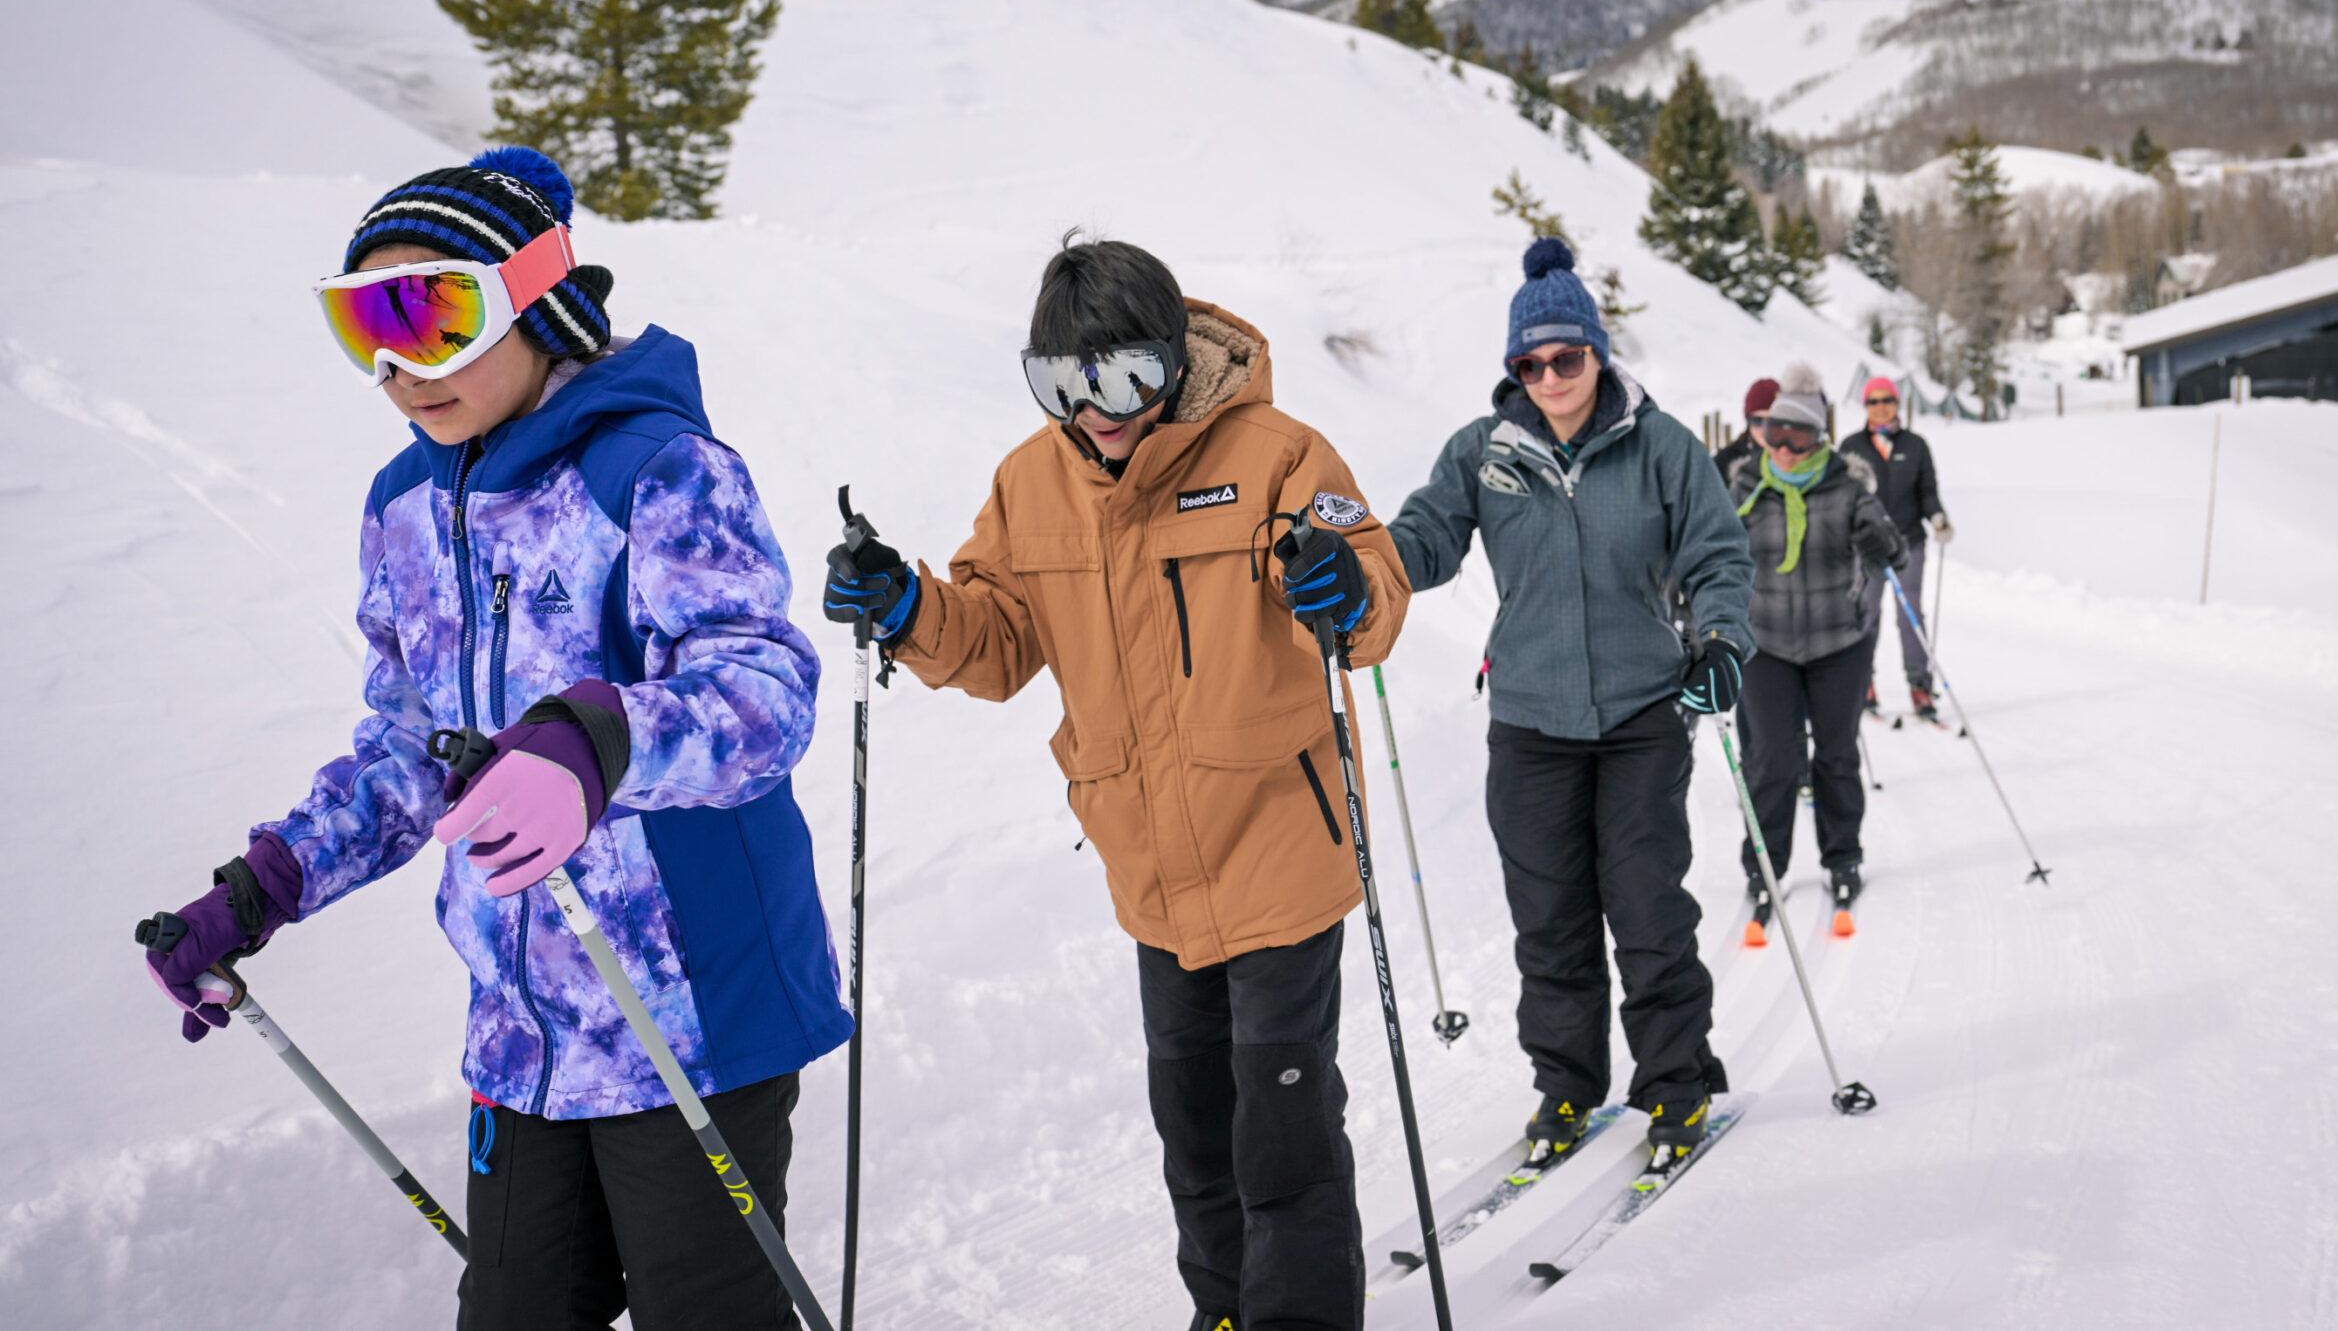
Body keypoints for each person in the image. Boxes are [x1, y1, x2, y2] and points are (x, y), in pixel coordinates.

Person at [137, 149, 845, 1330]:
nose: (401, 365)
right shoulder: (406, 508)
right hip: (524, 1027)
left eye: (438, 310)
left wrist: (597, 739)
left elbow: (766, 692)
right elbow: (411, 747)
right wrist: (266, 884)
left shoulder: (654, 470)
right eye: (366, 320)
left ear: (536, 297)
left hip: (692, 1011)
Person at [818, 234, 1409, 1331]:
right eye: (1063, 385)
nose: (1097, 412)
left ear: (1173, 360)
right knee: (1192, 1130)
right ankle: (1222, 1310)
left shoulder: (1278, 454)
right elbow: (994, 643)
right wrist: (903, 608)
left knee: (1280, 1141)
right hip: (1150, 870)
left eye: (1125, 378)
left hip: (1279, 841)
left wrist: (1342, 589)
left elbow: (1373, 590)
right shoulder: (1030, 482)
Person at [1389, 238, 1754, 1172]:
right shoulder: (1482, 451)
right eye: (1532, 361)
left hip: (1639, 718)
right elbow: (1425, 538)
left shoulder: (1663, 445)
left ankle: (1676, 1083)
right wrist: (1360, 569)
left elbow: (1717, 555)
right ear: (1514, 368)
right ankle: (1566, 1085)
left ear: (1597, 352)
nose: (1551, 374)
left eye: (1568, 356)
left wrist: (1719, 641)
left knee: (1646, 909)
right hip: (1529, 726)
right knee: (1548, 918)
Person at [1728, 364, 1908, 943]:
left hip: (1839, 643)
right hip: (1767, 643)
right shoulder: (1742, 487)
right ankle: (1764, 865)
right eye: (1775, 434)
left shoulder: (1847, 486)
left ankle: (1842, 857)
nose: (1783, 448)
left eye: (1797, 437)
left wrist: (1881, 542)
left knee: (1834, 756)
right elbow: (1711, 552)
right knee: (1774, 761)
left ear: (1819, 438)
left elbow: (1894, 552)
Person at [1842, 377, 1952, 720]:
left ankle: (1920, 684)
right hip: (1867, 546)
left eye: (1886, 400)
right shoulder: (1851, 445)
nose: (1880, 407)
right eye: (1873, 401)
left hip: (1908, 541)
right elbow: (1842, 497)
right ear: (1866, 406)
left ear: (1897, 403)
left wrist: (1937, 517)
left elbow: (1928, 491)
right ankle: (1862, 683)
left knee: (1910, 616)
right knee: (1867, 615)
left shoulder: (1915, 445)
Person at [1714, 377, 1779, 488]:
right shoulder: (1724, 463)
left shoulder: (1799, 458)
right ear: (1748, 421)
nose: (1765, 428)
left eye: (1772, 420)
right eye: (1758, 421)